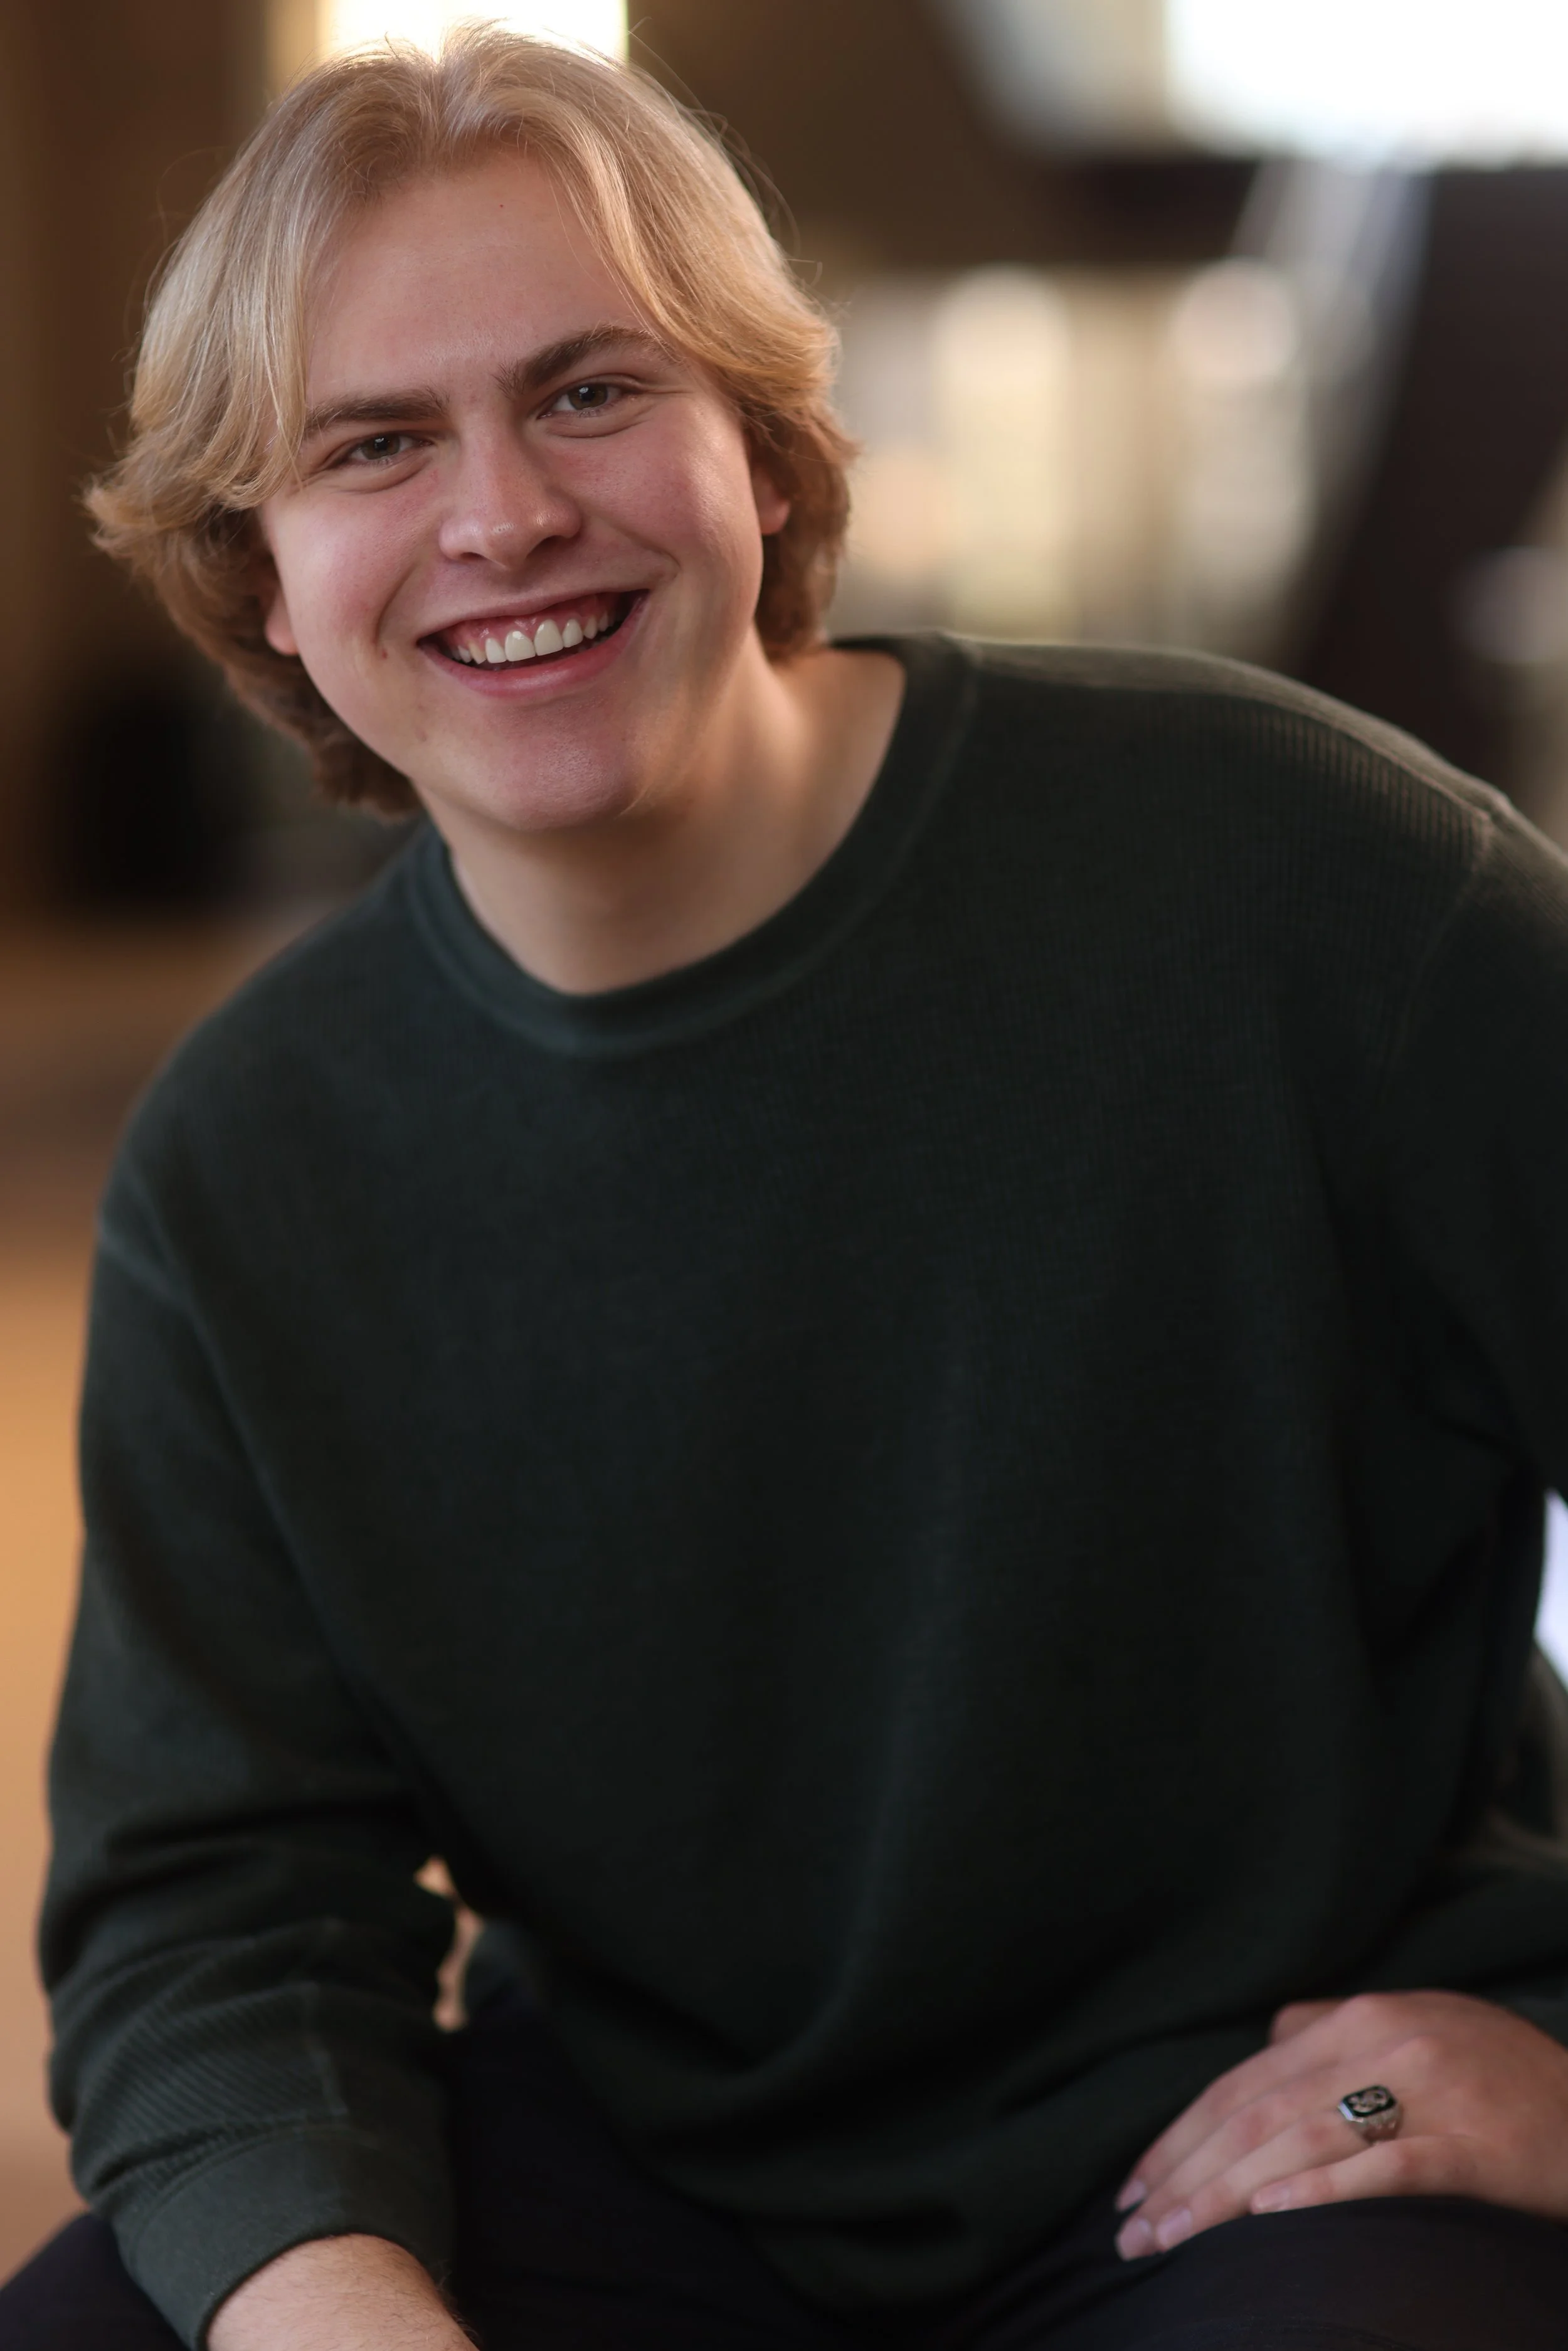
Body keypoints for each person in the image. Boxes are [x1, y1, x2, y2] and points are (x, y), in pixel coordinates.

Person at [6, 24, 1568, 2351]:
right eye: (371, 445)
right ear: (258, 566)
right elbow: (224, 1898)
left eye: (590, 391)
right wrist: (338, 2308)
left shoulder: (1303, 884)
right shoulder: (258, 1153)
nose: (501, 513)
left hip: (1261, 2136)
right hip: (651, 2158)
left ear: (759, 435)